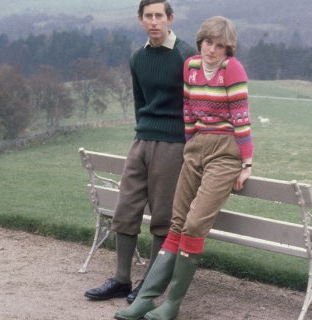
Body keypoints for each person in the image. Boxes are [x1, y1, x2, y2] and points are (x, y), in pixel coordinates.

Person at [114, 16, 253, 320]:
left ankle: (172, 304)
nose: (212, 50)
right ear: (200, 41)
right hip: (196, 147)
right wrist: (191, 144)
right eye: (208, 43)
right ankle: (147, 299)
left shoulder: (232, 69)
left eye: (220, 46)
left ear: (228, 49)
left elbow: (241, 118)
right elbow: (188, 109)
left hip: (225, 152)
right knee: (176, 223)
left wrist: (246, 163)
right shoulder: (190, 66)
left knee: (194, 225)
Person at [84, 0, 197, 304]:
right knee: (126, 208)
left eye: (159, 16)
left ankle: (149, 281)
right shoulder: (137, 57)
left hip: (174, 144)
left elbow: (196, 104)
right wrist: (143, 134)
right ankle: (121, 279)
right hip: (142, 140)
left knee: (162, 215)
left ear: (170, 19)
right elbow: (139, 102)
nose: (154, 22)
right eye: (148, 16)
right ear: (140, 20)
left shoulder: (187, 56)